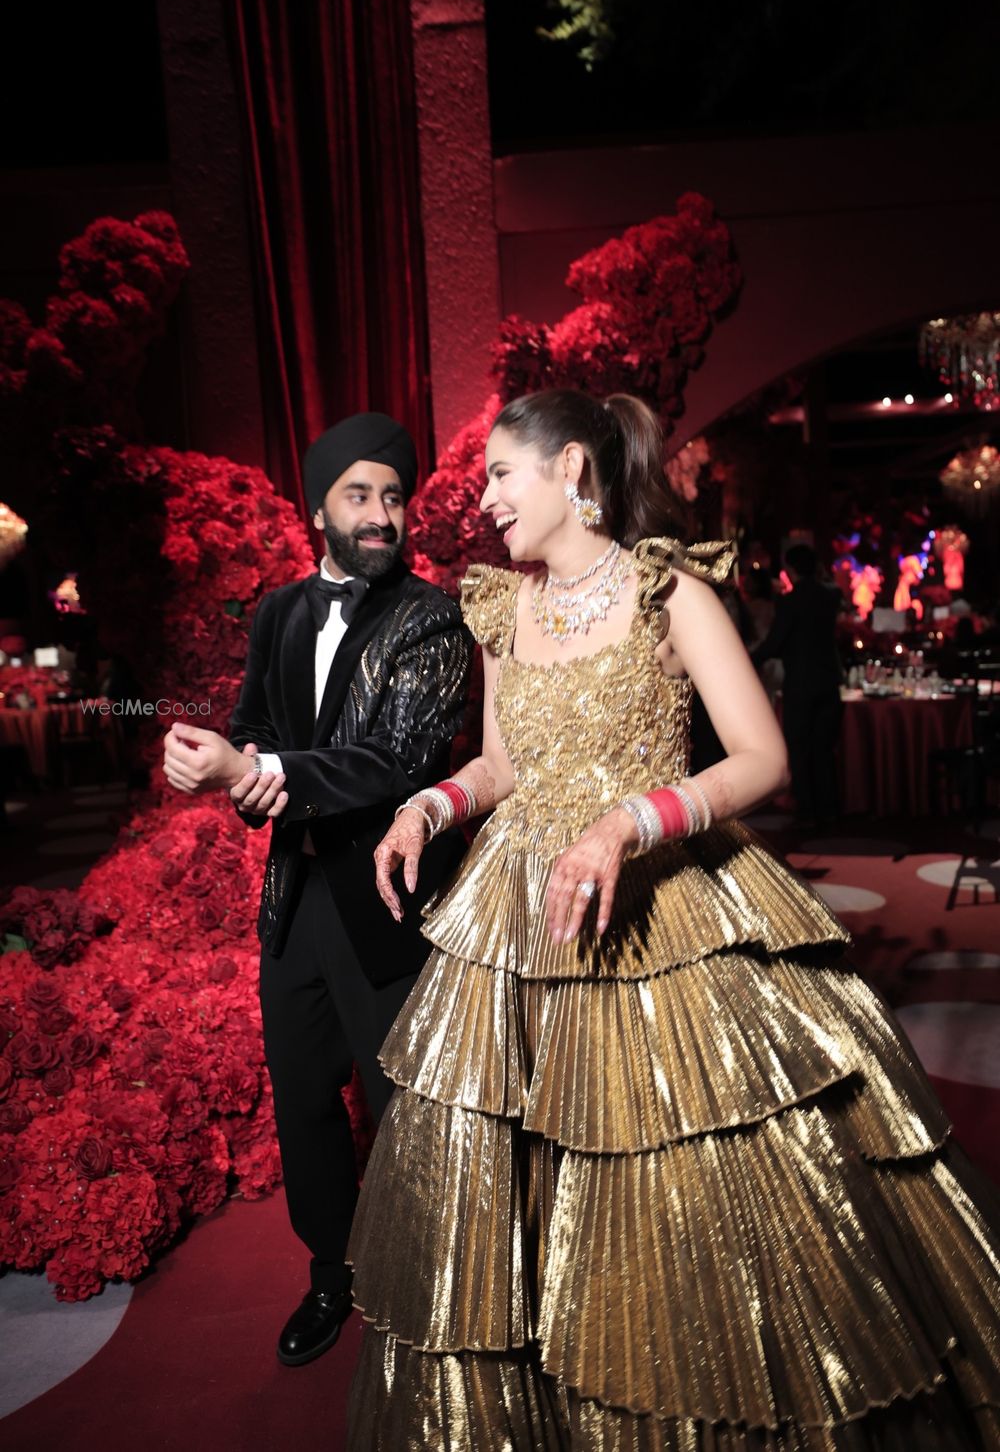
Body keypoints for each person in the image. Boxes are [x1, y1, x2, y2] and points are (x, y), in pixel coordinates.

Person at [345, 388, 1000, 1449]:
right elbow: (504, 766)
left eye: (501, 475)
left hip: (661, 903)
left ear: (570, 469)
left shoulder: (670, 591)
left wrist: (627, 824)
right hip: (519, 915)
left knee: (681, 1176)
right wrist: (429, 806)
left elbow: (762, 757)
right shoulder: (501, 611)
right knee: (510, 1188)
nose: (486, 500)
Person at [161, 412, 472, 1367]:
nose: (382, 514)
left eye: (394, 497)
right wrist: (226, 766)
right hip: (294, 899)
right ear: (318, 511)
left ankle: (432, 1289)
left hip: (389, 900)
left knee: (403, 1107)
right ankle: (331, 1272)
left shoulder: (433, 617)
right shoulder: (278, 614)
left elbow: (396, 760)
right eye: (359, 495)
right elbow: (254, 724)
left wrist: (259, 772)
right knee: (303, 1102)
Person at [752, 543, 843, 827]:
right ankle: (829, 809)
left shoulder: (789, 602)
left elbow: (775, 643)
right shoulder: (831, 596)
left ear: (790, 569)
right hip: (828, 679)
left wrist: (748, 659)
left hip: (800, 683)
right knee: (824, 748)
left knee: (800, 747)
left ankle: (807, 811)